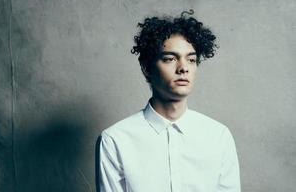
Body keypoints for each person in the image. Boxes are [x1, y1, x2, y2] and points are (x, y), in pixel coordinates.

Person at [96, 10, 241, 192]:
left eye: (191, 59)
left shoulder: (219, 137)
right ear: (147, 68)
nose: (183, 68)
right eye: (170, 59)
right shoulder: (115, 140)